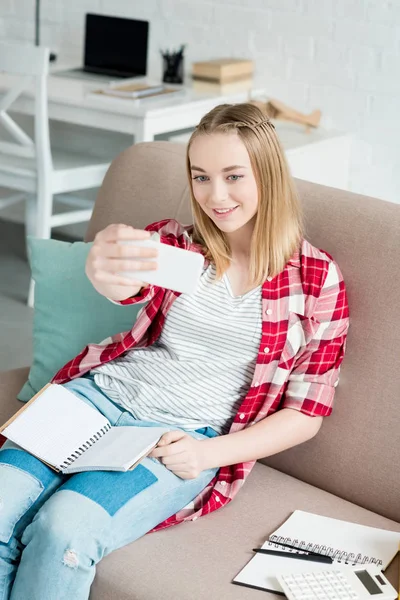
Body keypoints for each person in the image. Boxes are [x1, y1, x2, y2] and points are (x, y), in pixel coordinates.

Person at [0, 103, 349, 599]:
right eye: (201, 177)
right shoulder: (178, 245)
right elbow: (126, 286)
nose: (216, 196)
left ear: (268, 173)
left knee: (66, 531)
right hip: (94, 400)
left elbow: (306, 412)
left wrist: (208, 453)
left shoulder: (315, 280)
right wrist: (107, 266)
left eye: (233, 176)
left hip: (178, 436)